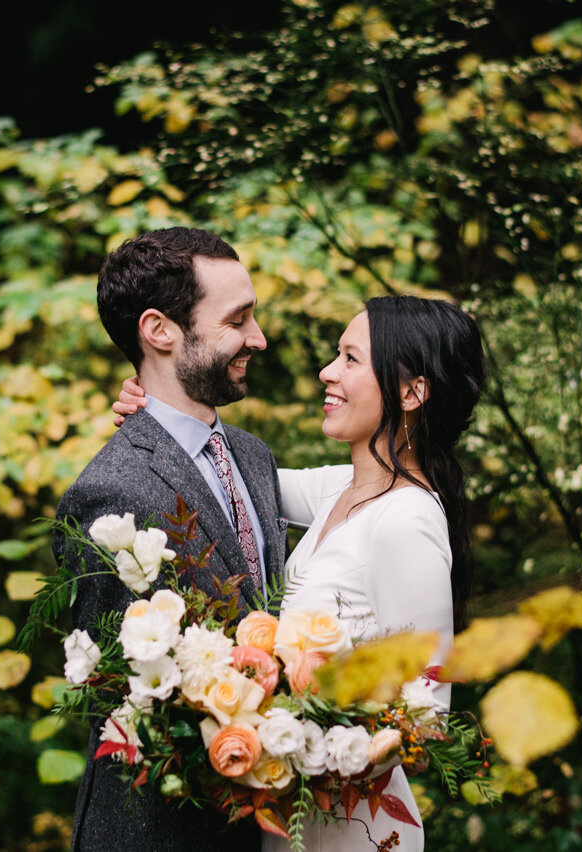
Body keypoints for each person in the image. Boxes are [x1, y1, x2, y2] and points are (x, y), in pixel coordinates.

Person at [116, 295, 487, 851]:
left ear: (412, 393)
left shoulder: (406, 520)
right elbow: (219, 478)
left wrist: (303, 746)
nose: (327, 372)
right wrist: (160, 416)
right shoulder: (341, 488)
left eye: (351, 359)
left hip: (351, 825)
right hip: (290, 816)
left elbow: (428, 711)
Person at [54, 227, 286, 852]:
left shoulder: (253, 457)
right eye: (238, 319)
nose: (258, 339)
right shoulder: (109, 495)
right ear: (160, 331)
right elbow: (116, 706)